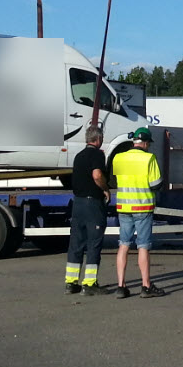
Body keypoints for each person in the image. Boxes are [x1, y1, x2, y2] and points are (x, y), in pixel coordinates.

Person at [112, 127, 165, 298]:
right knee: (143, 246)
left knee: (123, 245)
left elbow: (114, 180)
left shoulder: (119, 157)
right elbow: (156, 184)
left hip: (123, 207)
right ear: (145, 142)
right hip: (142, 207)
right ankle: (146, 286)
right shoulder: (149, 158)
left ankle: (121, 286)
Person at [65, 126, 110, 294]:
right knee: (93, 243)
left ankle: (71, 282)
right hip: (93, 203)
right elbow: (97, 175)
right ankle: (90, 283)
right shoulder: (97, 154)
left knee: (76, 243)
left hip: (78, 203)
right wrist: (105, 189)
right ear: (98, 139)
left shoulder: (79, 156)